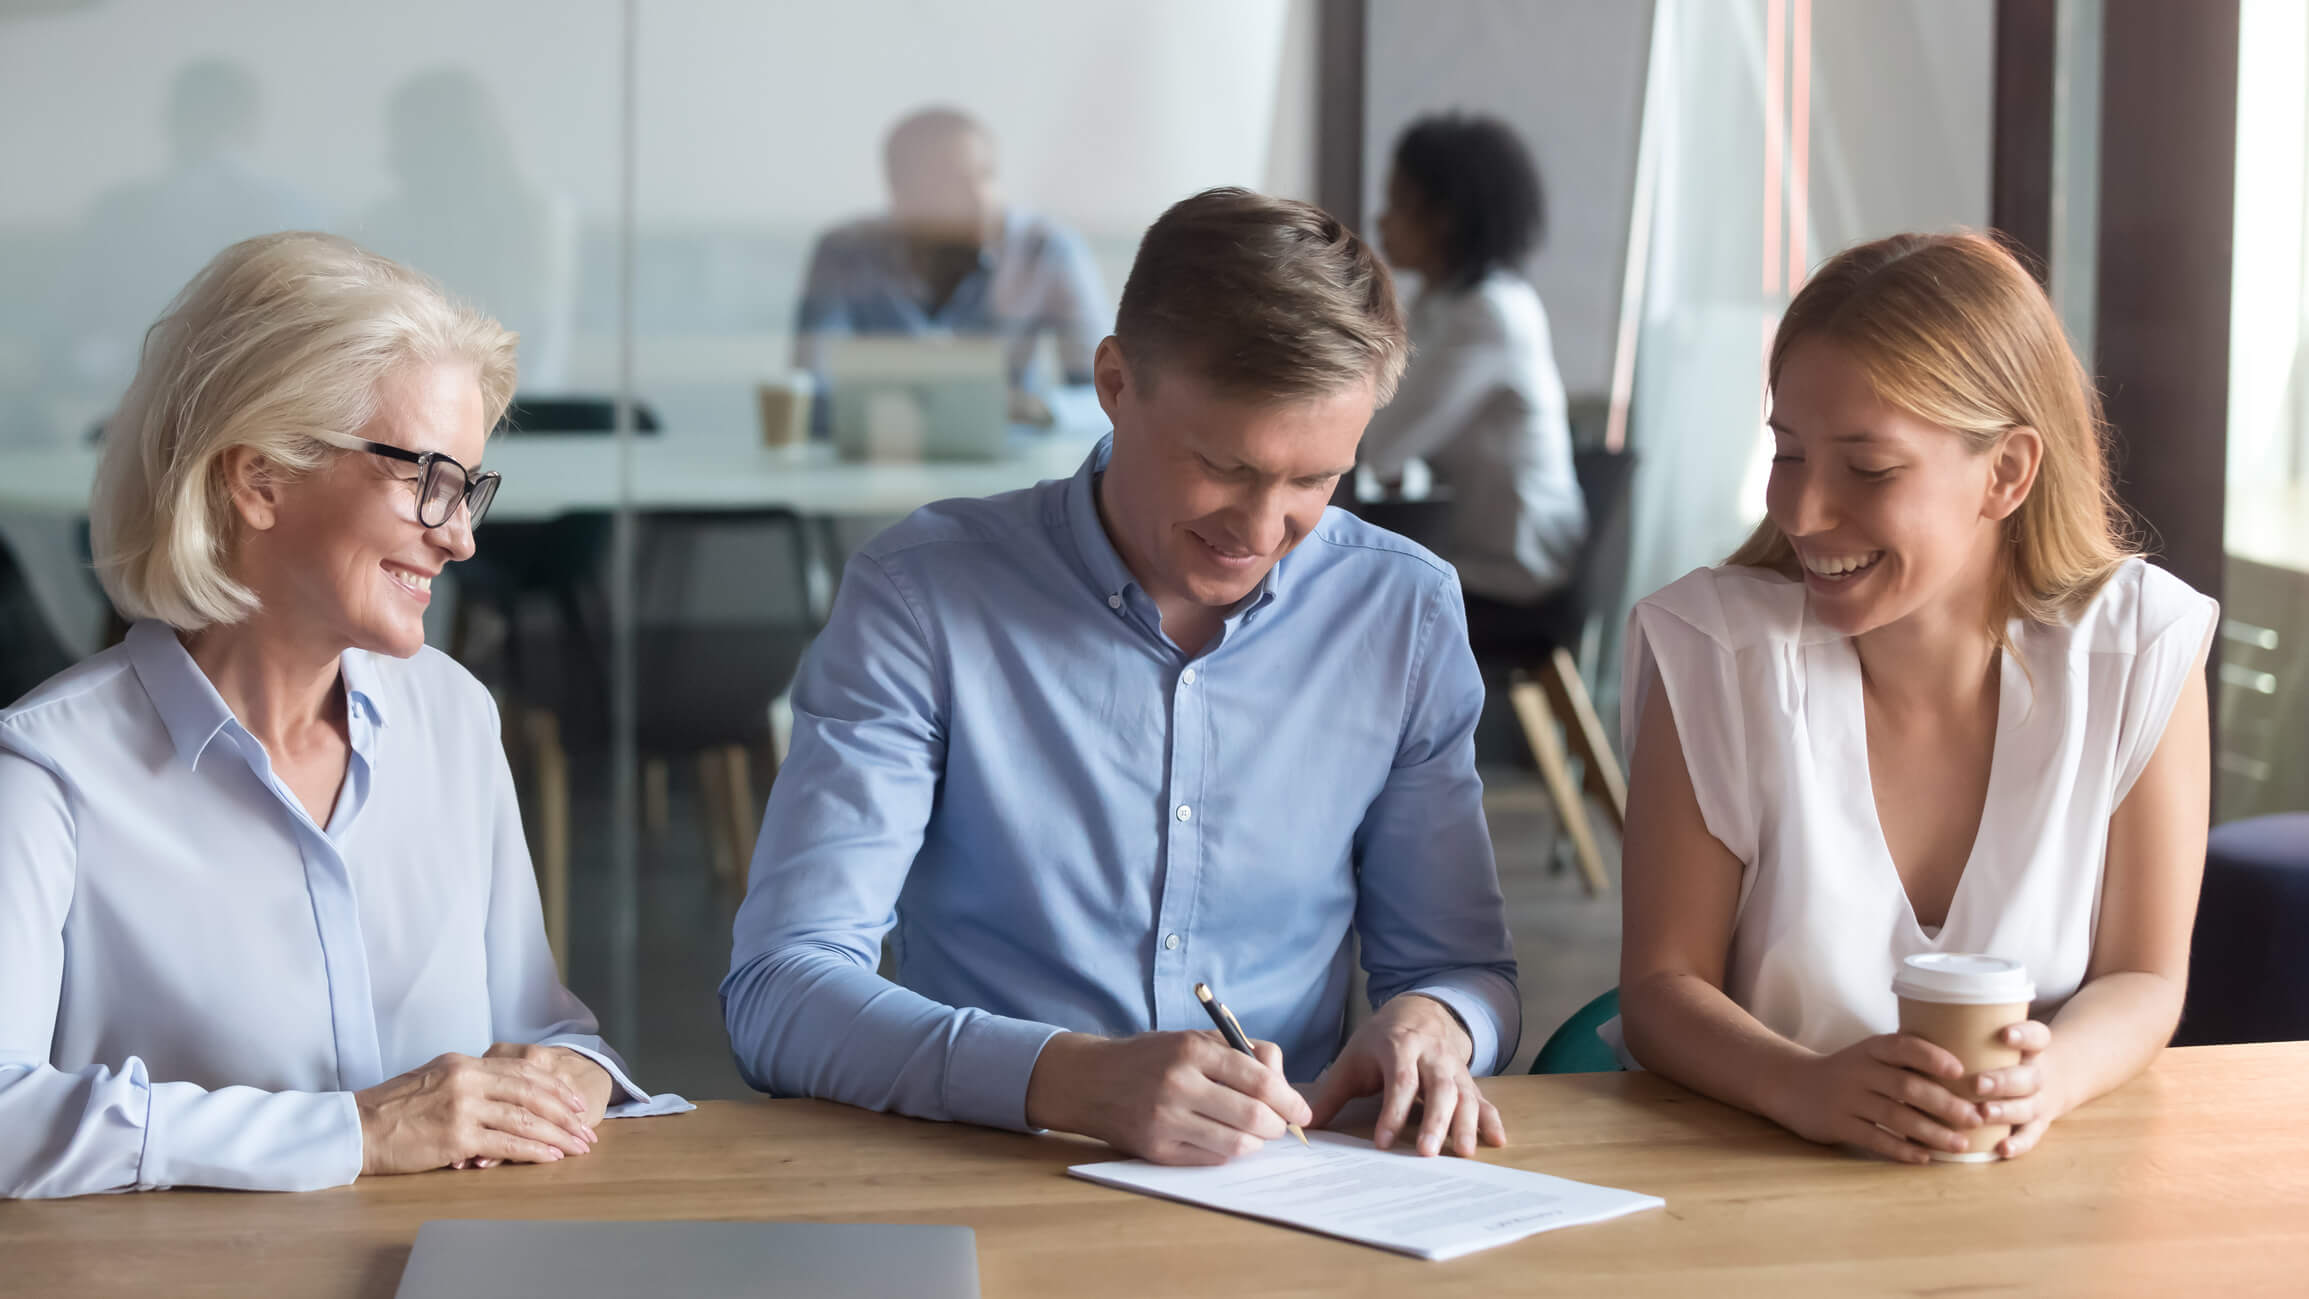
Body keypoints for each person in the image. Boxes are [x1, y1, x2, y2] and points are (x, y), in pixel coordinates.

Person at [725, 188, 1519, 1165]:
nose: (1262, 529)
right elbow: (779, 991)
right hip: (990, 1174)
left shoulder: (1400, 612)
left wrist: (1438, 1023)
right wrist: (1065, 1079)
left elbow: (1459, 971)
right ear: (1112, 381)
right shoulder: (921, 596)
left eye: (1313, 481)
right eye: (1223, 466)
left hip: (1286, 1193)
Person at [0, 232, 685, 1199]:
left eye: (472, 488)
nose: (460, 537)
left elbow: (539, 1026)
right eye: (428, 481)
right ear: (260, 477)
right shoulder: (46, 775)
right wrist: (356, 1131)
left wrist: (571, 1070)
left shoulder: (453, 717)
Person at [1615, 231, 2215, 1164]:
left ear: (2007, 472)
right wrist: (1799, 1086)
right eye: (1786, 452)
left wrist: (2044, 1081)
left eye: (1868, 468)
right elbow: (1659, 986)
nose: (1803, 511)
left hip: (2034, 1185)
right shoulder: (1716, 652)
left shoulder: (2137, 648)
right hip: (1750, 1175)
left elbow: (2142, 974)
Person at [1366, 114, 1586, 623]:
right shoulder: (1443, 303)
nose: (1381, 221)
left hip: (1517, 575)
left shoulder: (1488, 315)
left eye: (1398, 204)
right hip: (1481, 552)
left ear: (1444, 218)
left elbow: (1378, 446)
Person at [792, 106, 1106, 428]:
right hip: (882, 459)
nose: (980, 197)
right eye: (951, 182)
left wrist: (1033, 410)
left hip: (1010, 458)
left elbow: (1109, 394)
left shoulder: (1046, 250)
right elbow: (809, 392)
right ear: (901, 192)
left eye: (986, 175)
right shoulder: (844, 253)